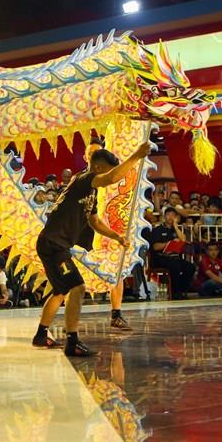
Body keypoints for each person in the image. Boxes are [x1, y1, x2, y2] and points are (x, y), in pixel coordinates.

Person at [32, 144, 149, 356]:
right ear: (96, 167)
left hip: (54, 244)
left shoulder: (90, 191)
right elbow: (112, 178)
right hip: (53, 244)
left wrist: (116, 236)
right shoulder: (84, 179)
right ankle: (72, 341)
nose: (106, 176)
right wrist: (137, 156)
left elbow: (94, 221)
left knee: (60, 291)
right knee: (77, 287)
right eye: (105, 170)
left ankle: (41, 335)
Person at [148, 208, 196, 299]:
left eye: (173, 215)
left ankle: (181, 290)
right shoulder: (158, 230)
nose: (170, 217)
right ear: (164, 217)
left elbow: (183, 239)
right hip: (160, 258)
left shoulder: (176, 229)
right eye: (168, 215)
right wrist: (169, 243)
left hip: (174, 257)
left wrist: (176, 226)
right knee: (175, 266)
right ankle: (175, 293)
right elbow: (155, 247)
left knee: (190, 267)